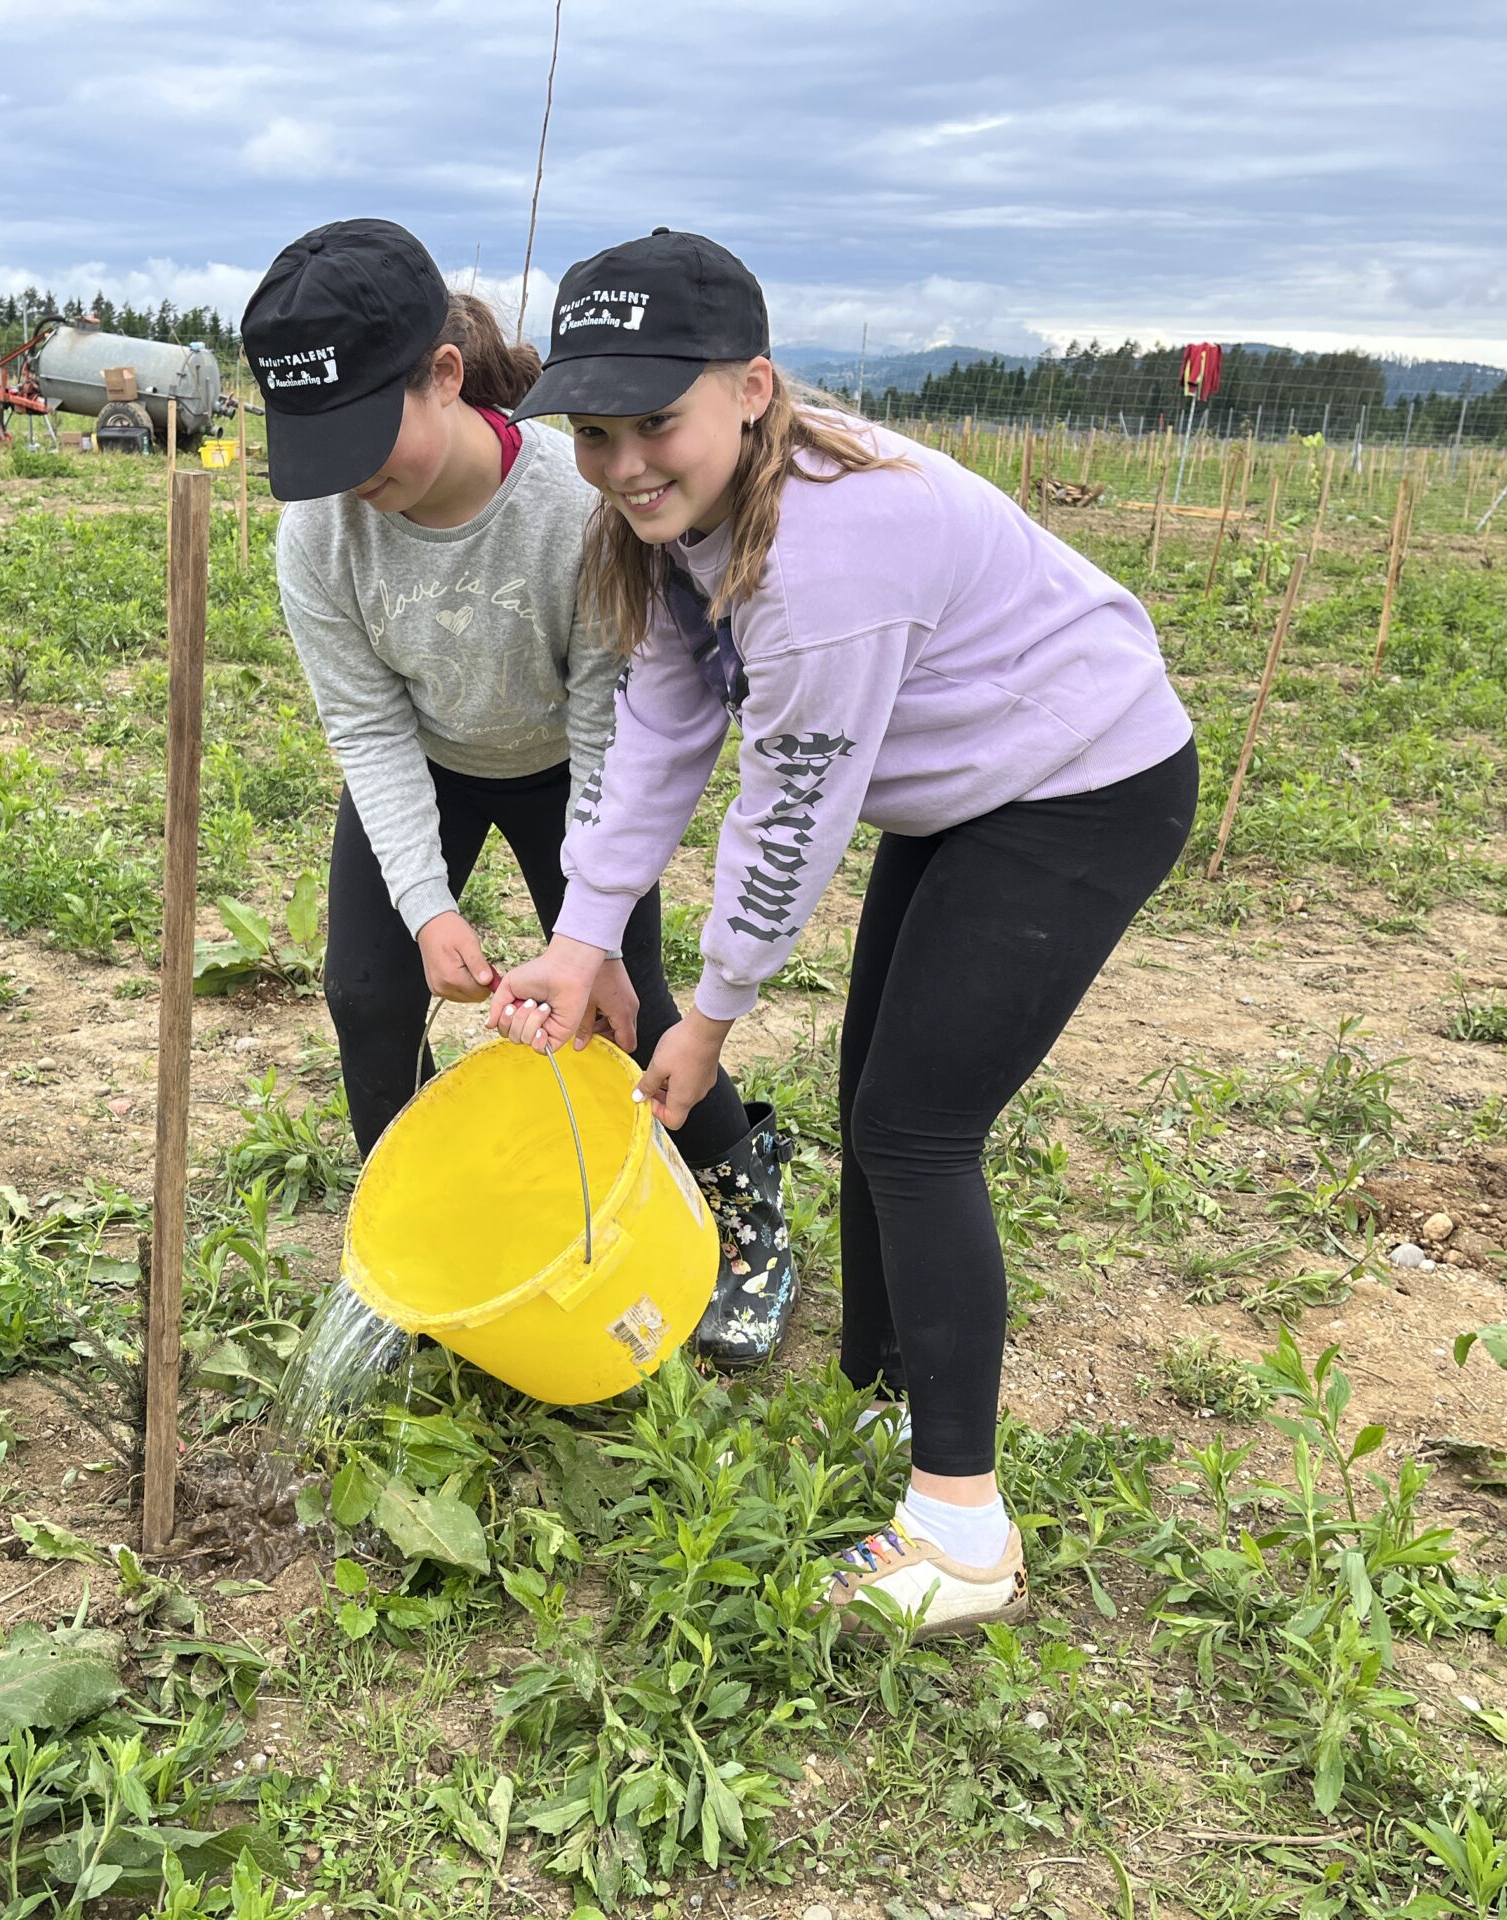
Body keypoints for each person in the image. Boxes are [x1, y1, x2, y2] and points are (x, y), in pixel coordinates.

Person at [488, 230, 1197, 1637]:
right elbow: (662, 730)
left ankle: (962, 1533)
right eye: (593, 432)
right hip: (971, 791)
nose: (624, 463)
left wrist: (706, 1020)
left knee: (916, 1129)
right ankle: (887, 1396)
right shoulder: (678, 527)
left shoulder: (830, 552)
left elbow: (787, 816)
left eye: (655, 422)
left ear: (752, 387)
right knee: (877, 1097)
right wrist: (581, 938)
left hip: (1081, 786)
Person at [245, 217, 799, 1364]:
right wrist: (425, 906)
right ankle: (421, 1240)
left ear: (444, 375)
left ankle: (741, 1206)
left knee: (623, 1000)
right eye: (319, 451)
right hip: (429, 764)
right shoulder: (318, 541)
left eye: (365, 438)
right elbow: (367, 724)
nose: (349, 479)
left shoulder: (571, 509)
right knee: (366, 992)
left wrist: (585, 934)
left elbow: (610, 722)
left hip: (570, 770)